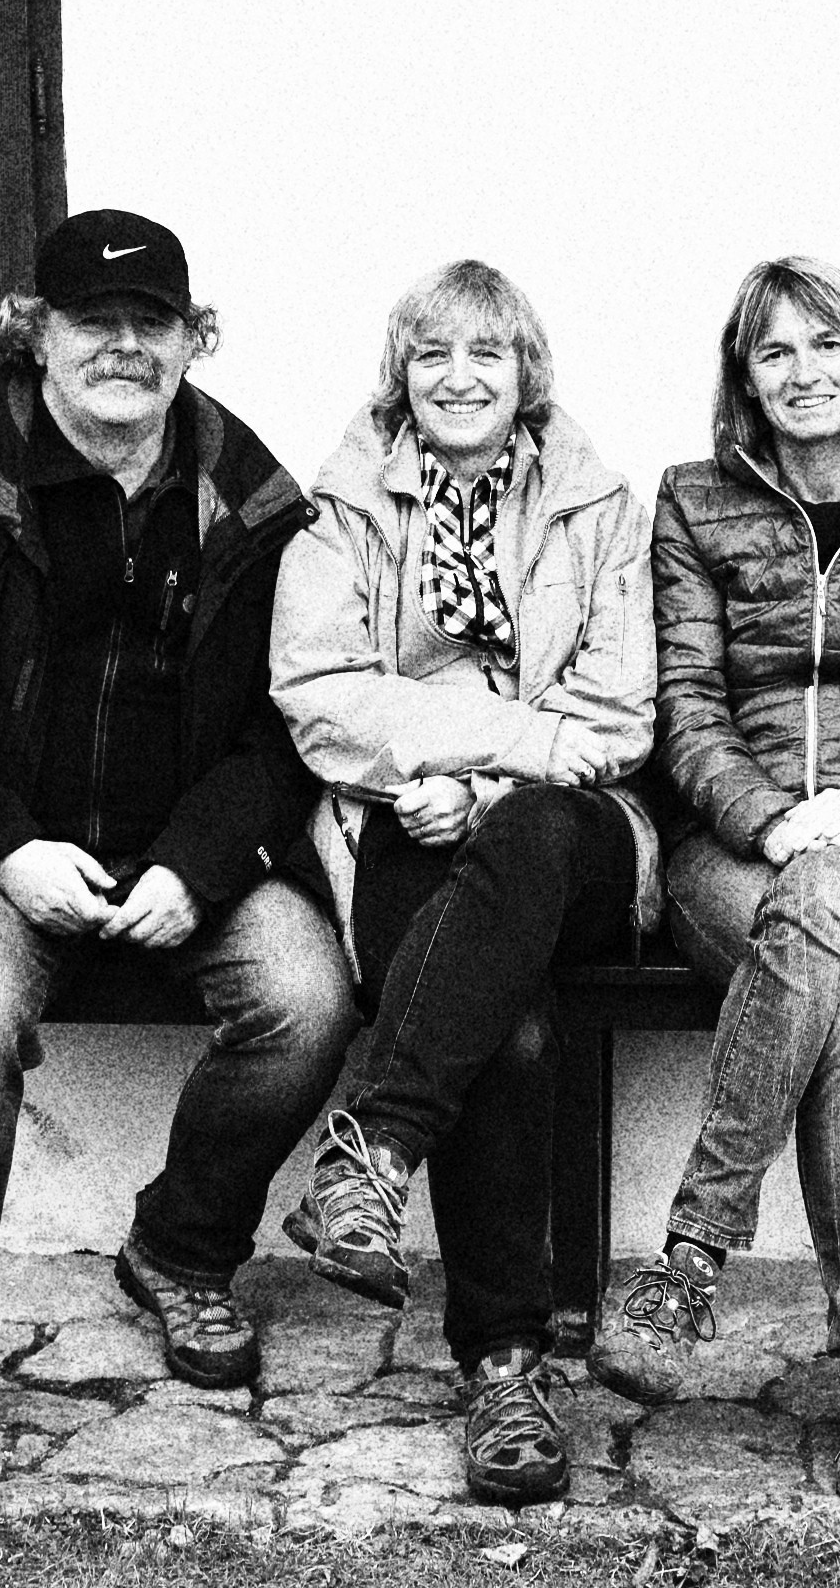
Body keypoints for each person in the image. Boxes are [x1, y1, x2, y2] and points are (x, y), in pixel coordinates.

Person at [0, 210, 356, 1491]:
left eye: (152, 323)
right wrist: (5, 847)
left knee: (307, 1002)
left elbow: (295, 720)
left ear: (193, 338)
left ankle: (180, 1249)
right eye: (93, 322)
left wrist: (200, 863)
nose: (125, 347)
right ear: (35, 334)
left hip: (185, 865)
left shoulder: (255, 503)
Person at [587, 257, 840, 1518]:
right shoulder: (694, 501)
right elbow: (686, 707)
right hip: (735, 853)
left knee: (827, 905)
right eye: (775, 352)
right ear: (746, 380)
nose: (805, 372)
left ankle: (692, 1254)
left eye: (828, 345)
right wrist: (767, 816)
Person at [269, 260, 657, 1506]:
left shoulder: (597, 505)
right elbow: (317, 695)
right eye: (433, 354)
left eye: (486, 353)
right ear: (403, 373)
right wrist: (451, 762)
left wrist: (488, 779)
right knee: (512, 1029)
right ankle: (505, 1371)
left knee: (531, 830)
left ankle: (376, 1143)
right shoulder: (342, 507)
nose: (459, 377)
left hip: (577, 830)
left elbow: (617, 715)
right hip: (402, 821)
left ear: (525, 372)